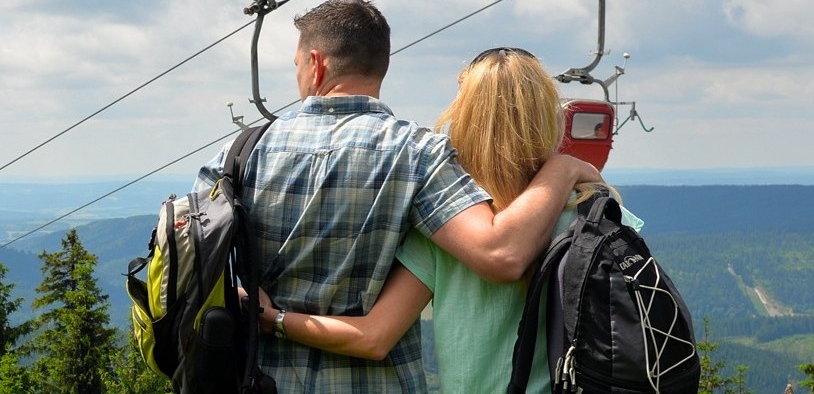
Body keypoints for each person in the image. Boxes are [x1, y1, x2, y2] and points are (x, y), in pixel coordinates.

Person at [196, 0, 603, 392]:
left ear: (316, 64)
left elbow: (198, 263)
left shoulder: (238, 154)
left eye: (298, 65)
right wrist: (563, 168)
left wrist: (264, 313)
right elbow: (498, 253)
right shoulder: (418, 153)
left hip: (256, 380)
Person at [251, 47, 647, 393]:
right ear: (548, 116)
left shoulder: (448, 231)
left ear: (465, 117)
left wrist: (275, 320)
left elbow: (373, 337)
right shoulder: (596, 214)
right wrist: (566, 170)